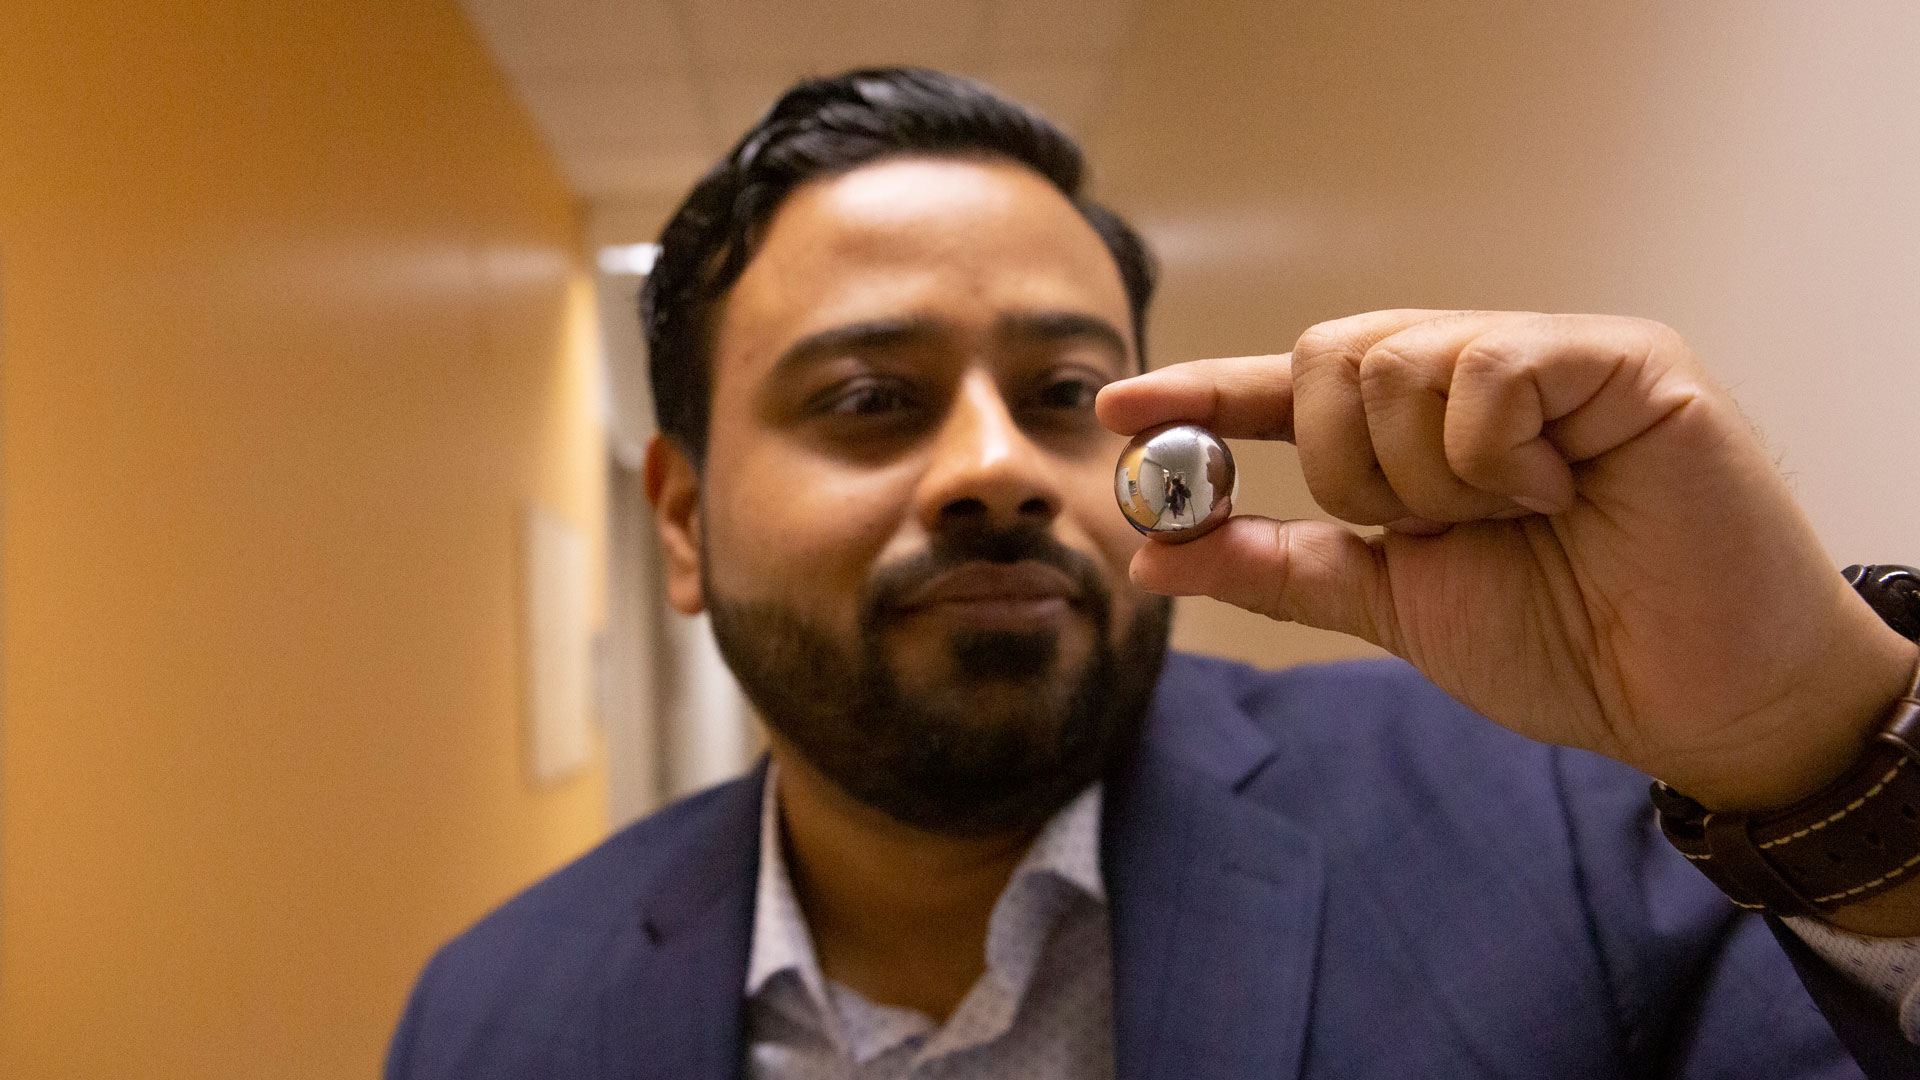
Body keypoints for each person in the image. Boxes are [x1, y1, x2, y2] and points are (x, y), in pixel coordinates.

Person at [385, 68, 1920, 1079]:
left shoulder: (1559, 833)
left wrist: (1817, 744)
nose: (994, 465)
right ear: (678, 520)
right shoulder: (494, 1019)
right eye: (869, 400)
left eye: (1065, 395)